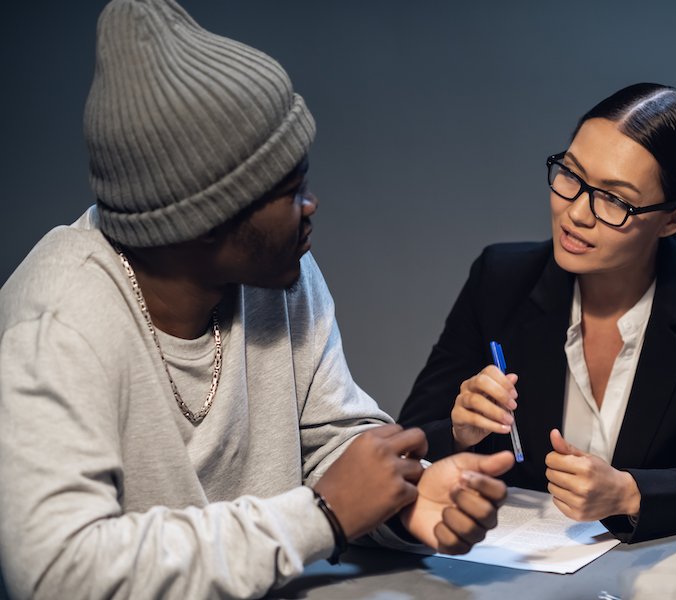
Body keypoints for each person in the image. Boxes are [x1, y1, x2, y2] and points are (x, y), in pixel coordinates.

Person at [0, 1, 515, 598]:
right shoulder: (58, 323)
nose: (312, 206)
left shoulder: (281, 273)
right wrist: (321, 516)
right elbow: (57, 572)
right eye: (291, 191)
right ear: (204, 219)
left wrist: (403, 501)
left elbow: (329, 445)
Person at [398, 83, 676, 544]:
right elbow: (408, 442)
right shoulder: (501, 278)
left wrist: (628, 492)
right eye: (570, 175)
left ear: (675, 218)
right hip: (516, 566)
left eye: (615, 200)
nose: (576, 213)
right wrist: (459, 433)